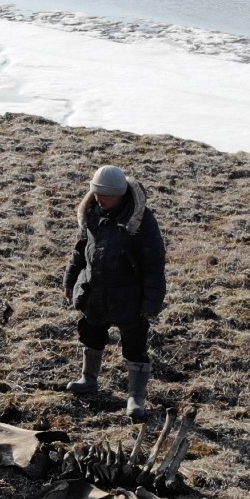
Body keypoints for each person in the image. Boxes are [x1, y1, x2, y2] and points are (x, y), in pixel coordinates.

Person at [62, 164, 166, 422]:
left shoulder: (141, 222)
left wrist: (151, 302)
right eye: (97, 193)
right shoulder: (91, 215)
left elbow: (154, 263)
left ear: (120, 194)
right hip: (94, 292)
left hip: (130, 299)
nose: (100, 199)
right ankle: (88, 378)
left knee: (134, 345)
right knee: (91, 334)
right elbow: (80, 250)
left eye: (106, 195)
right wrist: (70, 279)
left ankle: (136, 397)